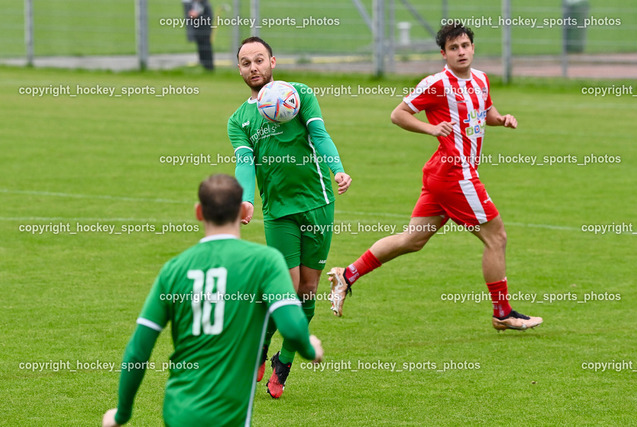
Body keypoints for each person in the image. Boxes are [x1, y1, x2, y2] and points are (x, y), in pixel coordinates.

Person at [327, 23, 543, 332]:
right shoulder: (436, 84)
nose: (461, 51)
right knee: (496, 237)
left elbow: (486, 113)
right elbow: (398, 114)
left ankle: (347, 274)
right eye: (454, 48)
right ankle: (503, 312)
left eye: (465, 45)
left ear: (472, 47)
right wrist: (430, 128)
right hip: (455, 174)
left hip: (442, 175)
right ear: (443, 53)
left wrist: (501, 120)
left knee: (412, 240)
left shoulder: (481, 79)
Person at [101, 174, 323, 427]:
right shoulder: (265, 262)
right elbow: (293, 327)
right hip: (229, 417)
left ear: (198, 212)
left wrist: (121, 415)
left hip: (177, 413)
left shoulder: (174, 269)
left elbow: (137, 350)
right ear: (241, 210)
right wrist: (309, 348)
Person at [227, 36, 351, 398]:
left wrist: (337, 170)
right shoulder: (239, 119)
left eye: (259, 60)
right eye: (246, 62)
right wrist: (246, 200)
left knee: (308, 289)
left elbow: (320, 134)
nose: (254, 67)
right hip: (279, 211)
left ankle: (285, 359)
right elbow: (244, 162)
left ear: (273, 62)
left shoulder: (299, 95)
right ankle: (261, 348)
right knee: (286, 288)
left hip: (318, 203)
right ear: (239, 69)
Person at [182, 0, 214, 70]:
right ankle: (203, 65)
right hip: (198, 32)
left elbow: (209, 17)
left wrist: (198, 16)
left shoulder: (205, 4)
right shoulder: (194, 4)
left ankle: (209, 67)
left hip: (205, 31)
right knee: (201, 50)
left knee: (206, 50)